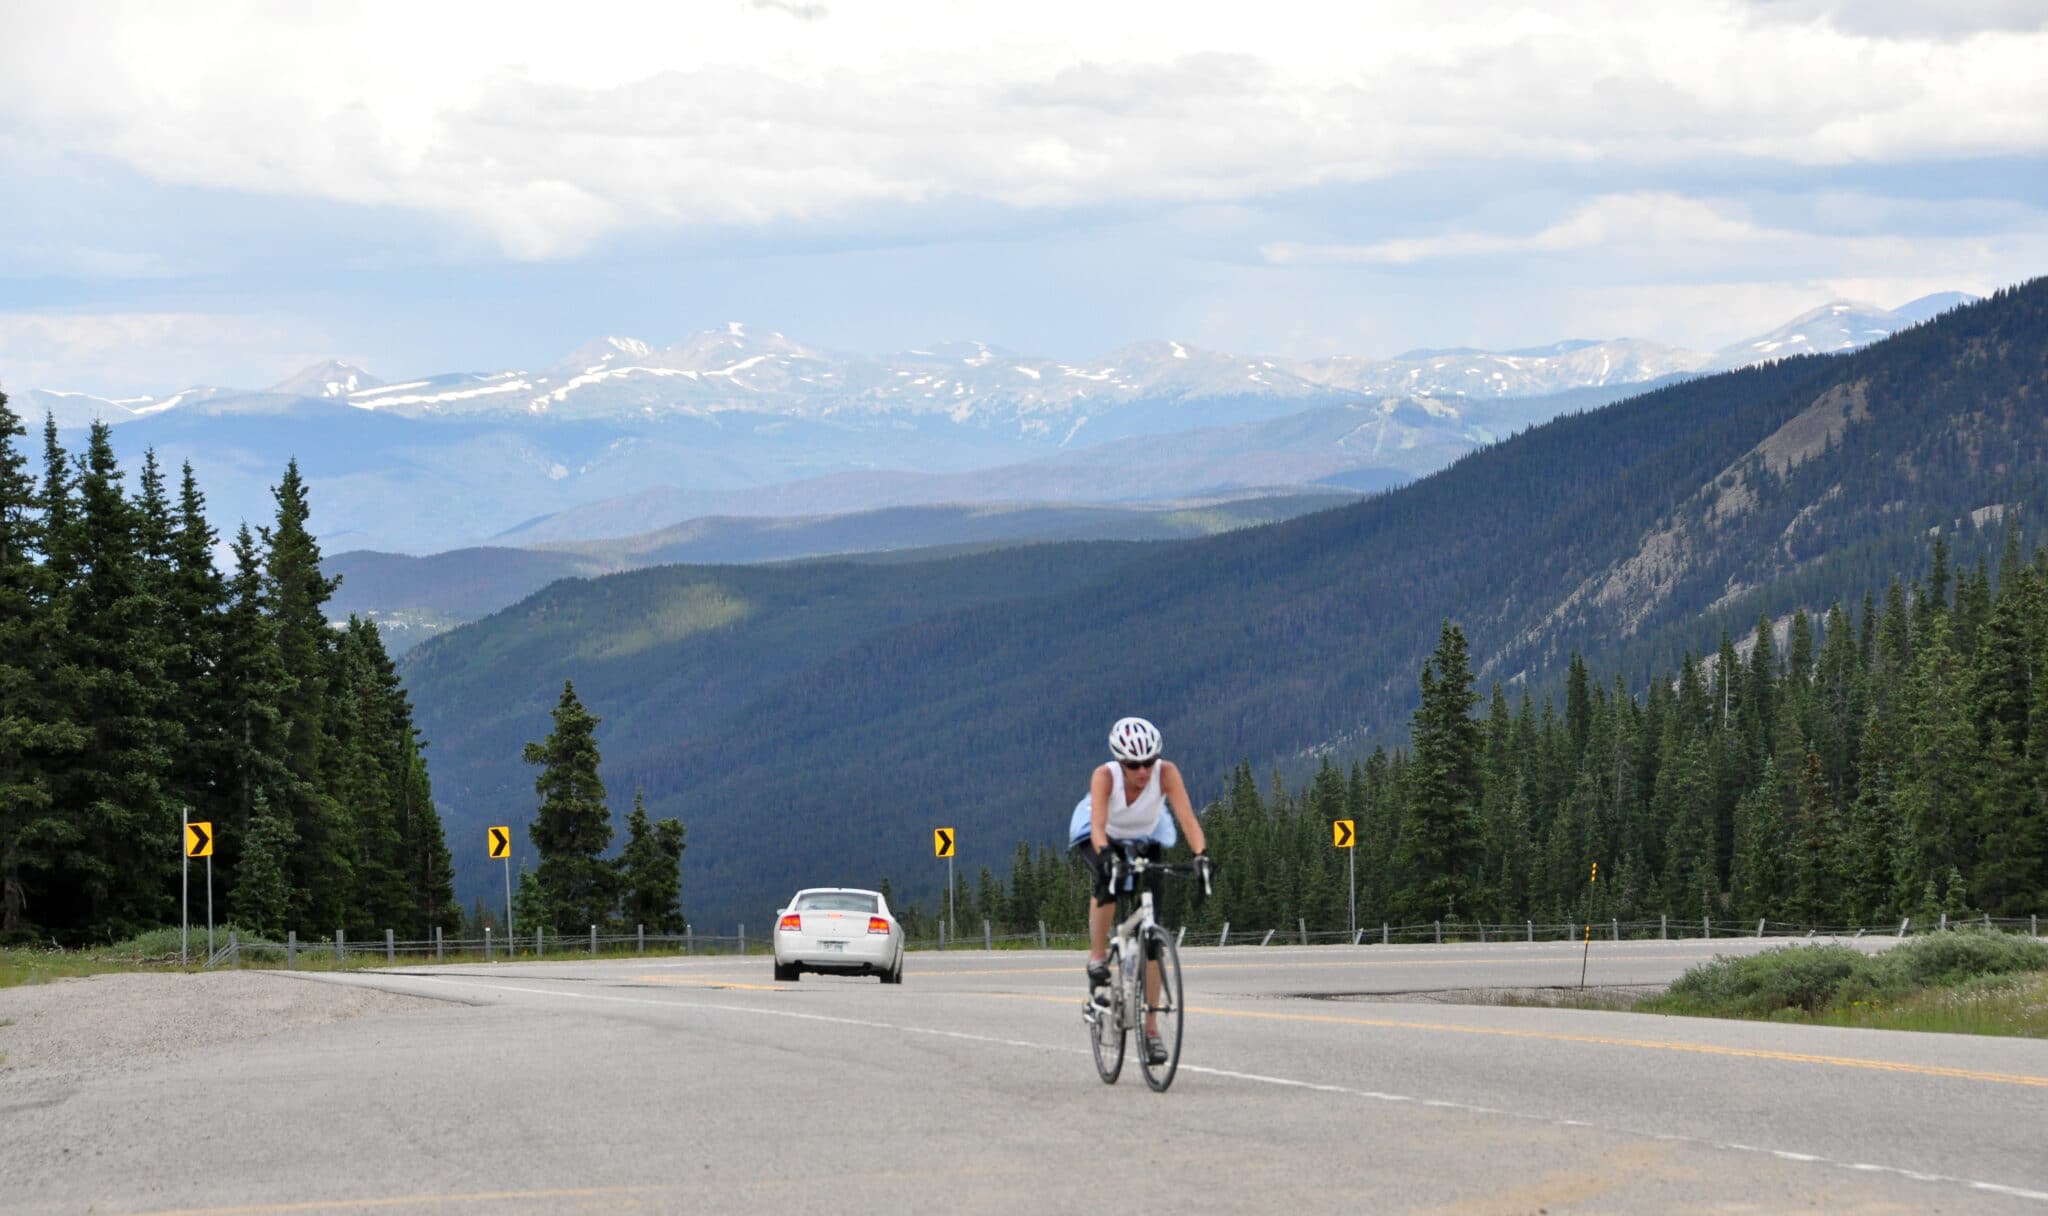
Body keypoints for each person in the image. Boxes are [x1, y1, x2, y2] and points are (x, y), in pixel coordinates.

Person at [1069, 715, 1210, 1065]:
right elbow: (1099, 827)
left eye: (1148, 762)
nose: (1143, 772)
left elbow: (1188, 819)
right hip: (1101, 835)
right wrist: (1105, 856)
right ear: (1121, 762)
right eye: (1134, 765)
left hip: (1145, 837)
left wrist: (1201, 856)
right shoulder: (1105, 777)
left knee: (1152, 938)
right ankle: (1098, 957)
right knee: (1109, 885)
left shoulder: (1167, 773)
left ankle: (1151, 1032)